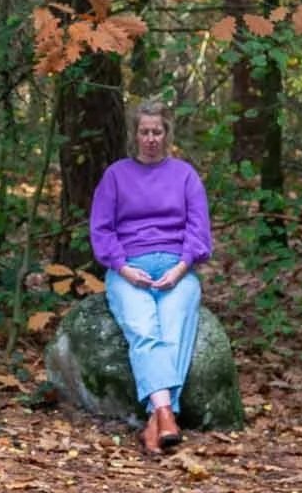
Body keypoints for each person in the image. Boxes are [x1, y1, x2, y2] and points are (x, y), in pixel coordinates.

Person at [89, 99, 213, 457]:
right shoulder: (116, 175)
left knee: (173, 331)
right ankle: (166, 414)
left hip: (177, 268)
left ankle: (154, 422)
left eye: (157, 131)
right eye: (144, 132)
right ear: (135, 135)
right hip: (129, 268)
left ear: (167, 134)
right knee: (144, 328)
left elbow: (198, 230)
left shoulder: (185, 175)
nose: (151, 138)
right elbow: (101, 230)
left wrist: (180, 269)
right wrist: (123, 268)